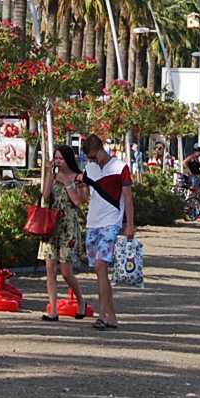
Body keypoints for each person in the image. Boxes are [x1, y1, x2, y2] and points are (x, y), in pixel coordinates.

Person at [81, 132, 134, 330]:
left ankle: (102, 314)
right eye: (90, 159)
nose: (93, 161)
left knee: (100, 266)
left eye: (95, 157)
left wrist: (129, 224)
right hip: (92, 222)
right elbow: (85, 197)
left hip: (111, 221)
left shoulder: (120, 168)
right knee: (98, 269)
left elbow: (128, 197)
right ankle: (111, 316)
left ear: (102, 150)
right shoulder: (90, 169)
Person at [38, 143, 90, 320]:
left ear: (68, 159)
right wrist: (48, 174)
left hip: (68, 224)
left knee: (66, 271)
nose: (58, 162)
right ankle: (53, 309)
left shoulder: (78, 177)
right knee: (50, 268)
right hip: (51, 224)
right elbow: (45, 196)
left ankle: (81, 300)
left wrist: (67, 182)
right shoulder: (53, 175)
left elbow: (78, 202)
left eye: (61, 158)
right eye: (56, 158)